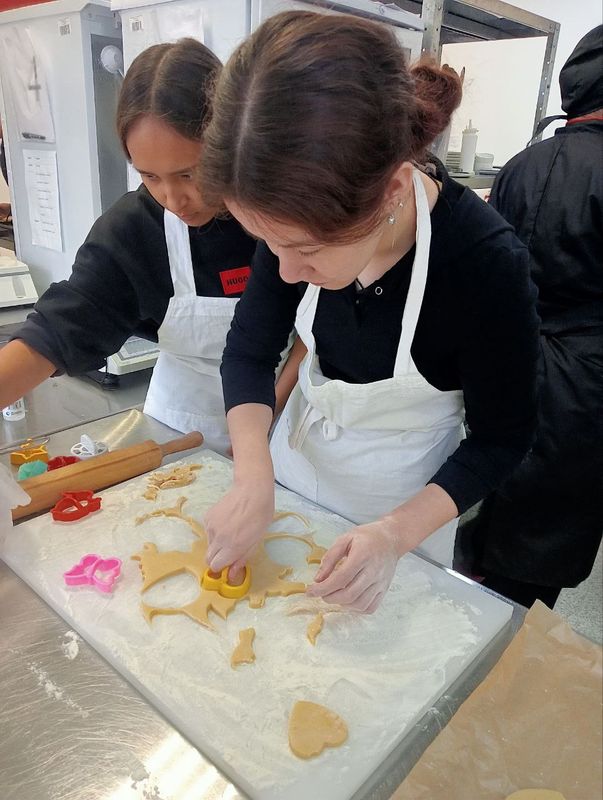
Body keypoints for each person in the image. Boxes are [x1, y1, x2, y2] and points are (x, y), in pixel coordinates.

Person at [199, 11, 540, 612]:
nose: (284, 271)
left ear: (391, 193)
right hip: (296, 478)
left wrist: (393, 536)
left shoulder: (484, 265)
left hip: (403, 519)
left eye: (306, 251)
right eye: (268, 244)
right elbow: (249, 352)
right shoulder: (290, 216)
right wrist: (253, 475)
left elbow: (501, 439)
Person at [0, 38, 301, 455]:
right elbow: (57, 329)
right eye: (150, 176)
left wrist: (260, 425)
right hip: (179, 424)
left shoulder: (277, 213)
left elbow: (314, 328)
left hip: (282, 419)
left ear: (228, 142)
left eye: (189, 174)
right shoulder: (133, 229)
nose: (173, 200)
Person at [454, 25, 603, 609]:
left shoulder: (519, 165)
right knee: (546, 535)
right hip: (587, 384)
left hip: (508, 356)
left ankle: (476, 614)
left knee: (492, 492)